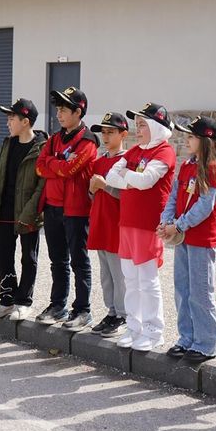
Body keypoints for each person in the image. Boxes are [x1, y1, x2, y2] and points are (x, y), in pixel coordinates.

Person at [106, 102, 176, 352]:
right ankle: (134, 327)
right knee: (131, 279)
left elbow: (147, 181)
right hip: (127, 222)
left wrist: (127, 176)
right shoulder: (135, 150)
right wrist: (130, 178)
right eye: (137, 125)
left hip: (148, 224)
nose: (139, 130)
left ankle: (153, 330)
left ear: (157, 127)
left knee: (147, 280)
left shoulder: (165, 152)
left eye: (143, 125)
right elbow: (111, 177)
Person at [160, 116, 216, 363]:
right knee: (183, 290)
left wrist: (177, 225)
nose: (186, 140)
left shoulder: (214, 169)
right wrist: (166, 220)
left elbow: (205, 207)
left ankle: (206, 343)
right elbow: (173, 196)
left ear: (205, 140)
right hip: (183, 237)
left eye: (190, 136)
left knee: (200, 292)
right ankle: (187, 338)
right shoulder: (187, 165)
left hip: (200, 239)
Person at [35, 87, 99, 330]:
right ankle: (57, 305)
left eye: (64, 109)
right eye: (58, 109)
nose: (59, 114)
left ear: (78, 111)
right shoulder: (53, 139)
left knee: (79, 261)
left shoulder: (87, 141)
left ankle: (82, 310)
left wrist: (57, 166)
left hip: (75, 210)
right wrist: (59, 164)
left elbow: (70, 171)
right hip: (52, 207)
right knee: (57, 260)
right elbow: (39, 167)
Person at [0, 98, 47, 321]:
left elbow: (42, 186)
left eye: (12, 118)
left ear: (26, 121)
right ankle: (7, 298)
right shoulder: (8, 144)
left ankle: (24, 301)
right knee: (4, 255)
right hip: (4, 211)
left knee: (28, 258)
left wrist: (29, 213)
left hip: (28, 213)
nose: (8, 122)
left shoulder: (41, 148)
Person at [88, 112, 129, 337]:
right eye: (103, 132)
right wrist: (93, 190)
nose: (105, 136)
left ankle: (122, 313)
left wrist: (105, 187)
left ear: (123, 133)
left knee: (117, 272)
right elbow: (93, 194)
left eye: (110, 132)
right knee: (105, 272)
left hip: (116, 223)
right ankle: (111, 311)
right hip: (100, 220)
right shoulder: (99, 160)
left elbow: (128, 196)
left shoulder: (126, 161)